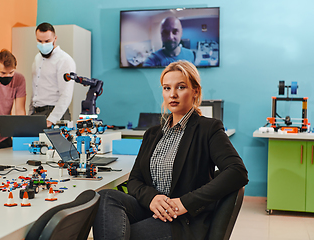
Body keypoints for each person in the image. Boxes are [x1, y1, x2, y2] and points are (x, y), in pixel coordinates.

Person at [92, 60, 248, 240]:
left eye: (180, 87)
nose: (172, 94)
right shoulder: (152, 133)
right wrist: (152, 198)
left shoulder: (208, 128)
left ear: (195, 91)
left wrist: (184, 203)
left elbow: (237, 172)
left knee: (120, 234)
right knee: (105, 197)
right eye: (167, 88)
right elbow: (135, 180)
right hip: (150, 209)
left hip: (182, 219)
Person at [29, 22, 76, 127]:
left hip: (55, 113)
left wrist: (52, 119)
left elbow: (66, 94)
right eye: (39, 41)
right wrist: (30, 113)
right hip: (37, 112)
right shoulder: (37, 58)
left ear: (55, 39)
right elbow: (35, 88)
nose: (43, 44)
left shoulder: (64, 60)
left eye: (47, 41)